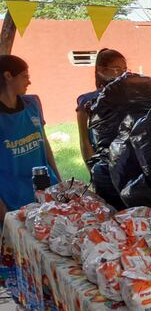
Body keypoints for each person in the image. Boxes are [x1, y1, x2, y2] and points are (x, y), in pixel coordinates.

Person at [0, 55, 61, 222]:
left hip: (46, 187)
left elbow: (44, 142)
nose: (29, 82)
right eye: (25, 76)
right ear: (8, 76)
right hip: (12, 197)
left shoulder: (32, 103)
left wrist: (58, 178)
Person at [76, 48, 127, 166]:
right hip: (103, 163)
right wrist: (93, 171)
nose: (123, 74)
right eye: (117, 69)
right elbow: (85, 142)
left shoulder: (130, 97)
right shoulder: (86, 102)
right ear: (101, 70)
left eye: (125, 69)